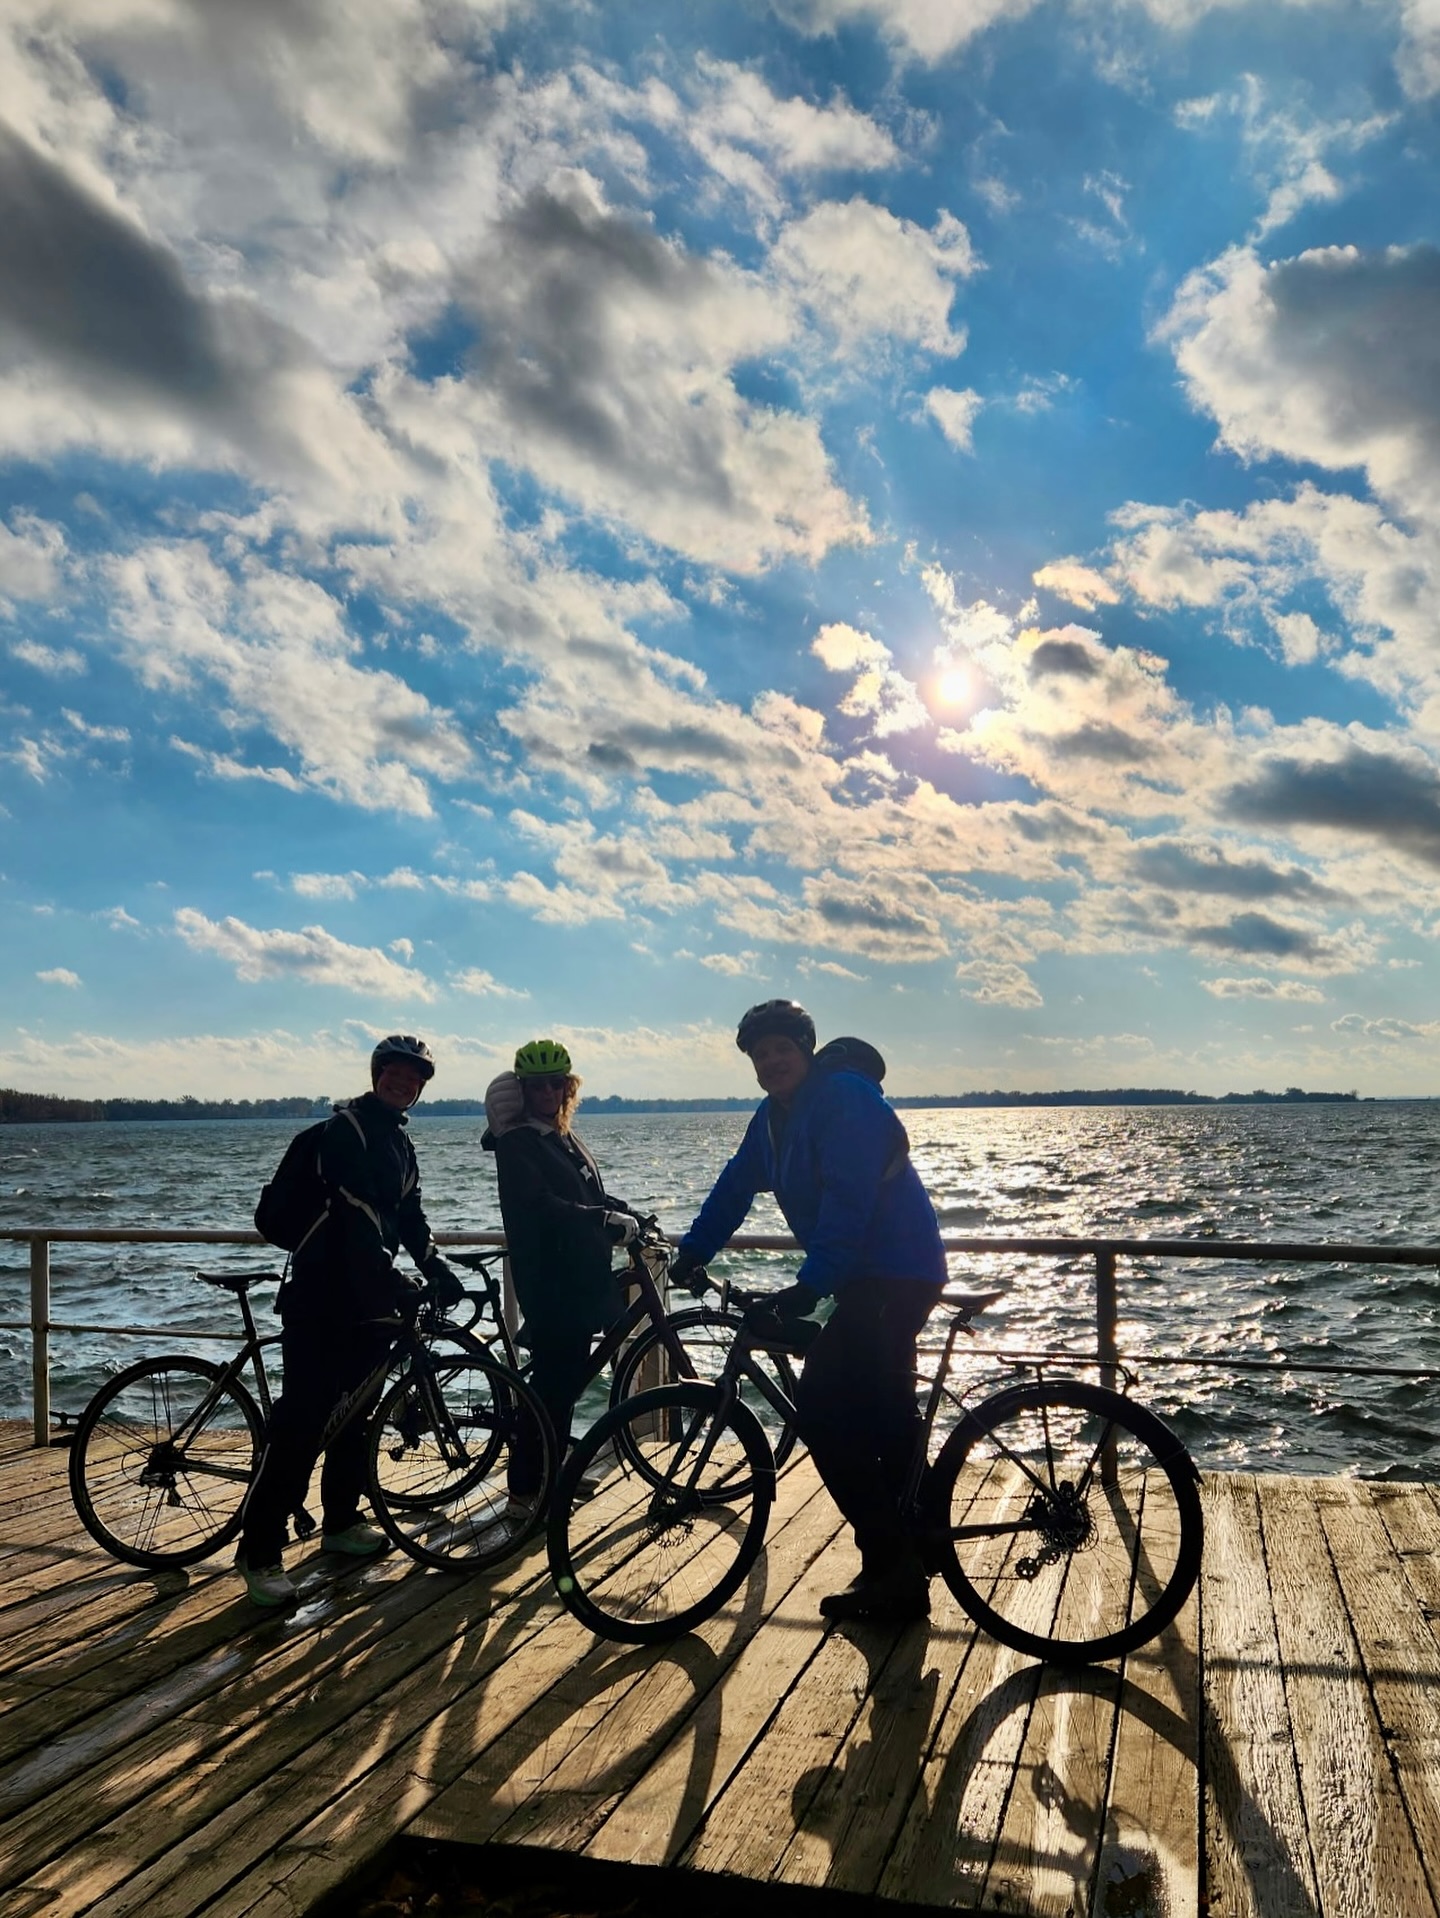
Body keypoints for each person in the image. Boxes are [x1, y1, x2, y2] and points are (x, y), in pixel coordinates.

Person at [670, 999, 947, 1624]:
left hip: (893, 1272)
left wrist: (809, 1285)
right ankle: (917, 1534)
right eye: (759, 1054)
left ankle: (893, 1568)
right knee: (879, 1413)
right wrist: (692, 1253)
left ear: (806, 1049)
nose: (771, 1061)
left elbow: (850, 1201)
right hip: (864, 1279)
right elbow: (736, 1186)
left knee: (821, 1413)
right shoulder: (772, 1120)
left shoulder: (843, 1097)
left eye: (781, 1048)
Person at [238, 1033, 465, 1607]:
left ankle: (341, 1522)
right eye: (395, 1073)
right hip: (321, 1296)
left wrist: (435, 1265)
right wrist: (393, 1279)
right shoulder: (346, 1133)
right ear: (376, 1073)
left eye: (414, 1078)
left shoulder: (399, 1144)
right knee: (303, 1423)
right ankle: (259, 1552)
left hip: (369, 1301)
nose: (403, 1083)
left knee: (358, 1413)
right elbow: (357, 1219)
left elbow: (407, 1215)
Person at [482, 1038, 640, 1515]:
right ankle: (526, 1491)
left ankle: (549, 1476)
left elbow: (583, 1194)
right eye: (536, 1085)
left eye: (557, 1083)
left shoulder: (560, 1136)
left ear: (568, 1087)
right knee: (552, 1388)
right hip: (551, 1281)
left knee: (563, 1385)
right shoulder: (518, 1143)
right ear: (522, 1090)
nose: (548, 1092)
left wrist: (620, 1211)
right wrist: (599, 1219)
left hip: (577, 1276)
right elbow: (539, 1206)